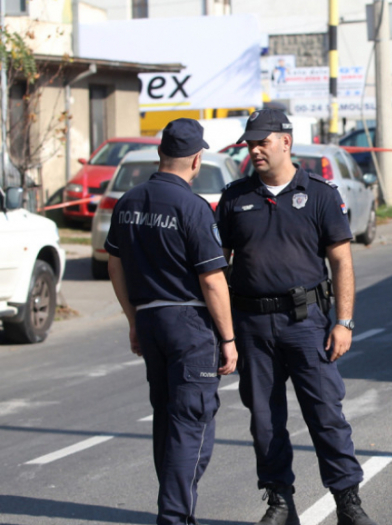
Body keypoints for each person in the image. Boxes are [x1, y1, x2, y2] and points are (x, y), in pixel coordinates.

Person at [216, 109, 378, 525]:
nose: (254, 150)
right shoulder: (235, 198)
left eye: (262, 142)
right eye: (250, 144)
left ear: (285, 142)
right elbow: (218, 267)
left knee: (326, 414)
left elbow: (341, 262)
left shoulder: (320, 194)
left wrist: (344, 322)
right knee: (265, 420)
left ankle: (347, 501)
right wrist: (223, 330)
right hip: (252, 326)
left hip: (306, 323)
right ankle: (280, 502)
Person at [106, 118, 238, 525]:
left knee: (167, 419)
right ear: (197, 160)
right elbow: (212, 280)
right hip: (189, 323)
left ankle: (175, 509)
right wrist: (228, 338)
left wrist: (134, 319)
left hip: (149, 319)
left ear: (160, 153)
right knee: (192, 421)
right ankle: (175, 516)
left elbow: (114, 265)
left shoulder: (128, 202)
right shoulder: (193, 207)